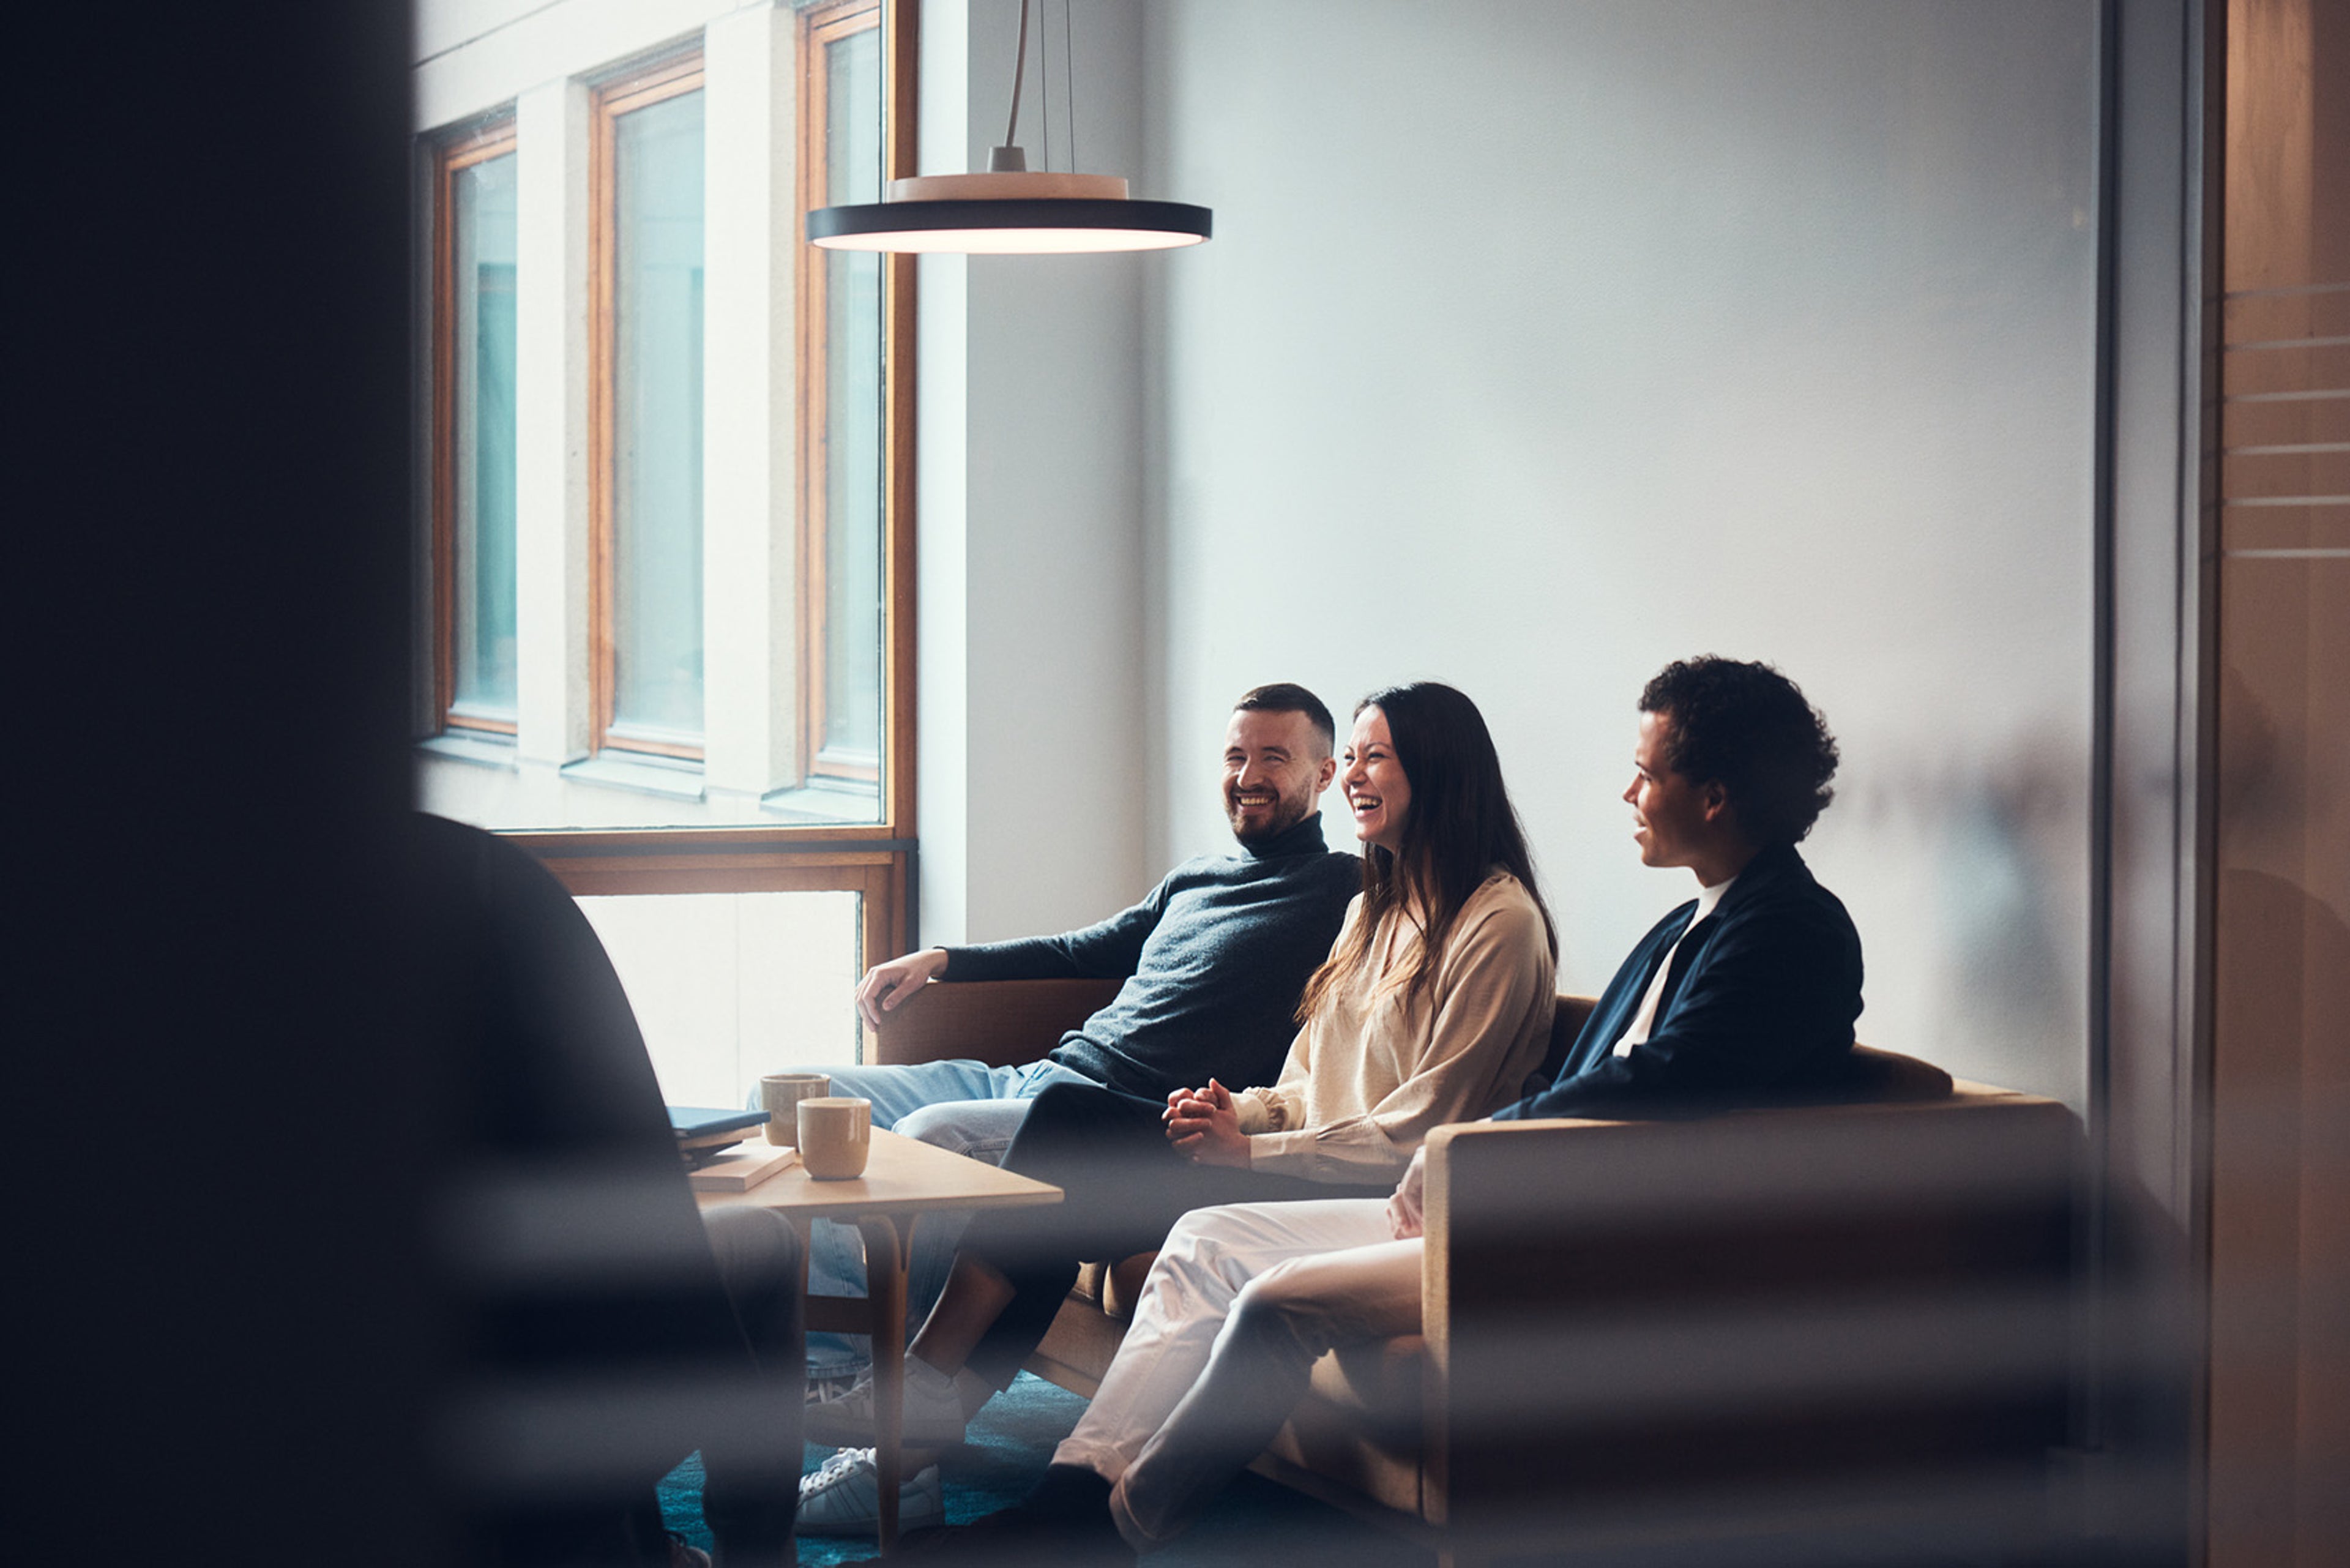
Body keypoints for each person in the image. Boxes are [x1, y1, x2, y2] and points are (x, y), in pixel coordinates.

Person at [887, 655, 1863, 1561]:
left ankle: (1087, 1517)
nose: (1628, 792)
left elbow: (1661, 1084)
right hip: (1481, 1188)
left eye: (1645, 773)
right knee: (1189, 1230)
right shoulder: (1681, 919)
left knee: (1222, 1258)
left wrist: (1465, 1152)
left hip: (1546, 1219)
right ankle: (1065, 1492)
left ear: (1714, 794)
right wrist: (1244, 1116)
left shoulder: (1781, 929)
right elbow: (1346, 1074)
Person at [800, 682, 1557, 1526]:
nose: (1352, 775)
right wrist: (1238, 1114)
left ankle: (917, 1423)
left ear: (1440, 772)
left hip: (1381, 1195)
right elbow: (1305, 1080)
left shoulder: (1498, 923)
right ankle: (923, 1425)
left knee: (1071, 1146)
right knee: (1070, 1126)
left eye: (1372, 757)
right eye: (1352, 757)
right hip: (1300, 1164)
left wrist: (1253, 1153)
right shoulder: (1370, 912)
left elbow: (1423, 1127)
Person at [777, 684, 1362, 1384]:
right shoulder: (1196, 878)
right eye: (1236, 756)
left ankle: (889, 1383)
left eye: (1274, 758)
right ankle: (832, 1356)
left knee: (933, 1135)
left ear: (1325, 775)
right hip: (1034, 1076)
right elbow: (1079, 951)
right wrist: (943, 959)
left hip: (1106, 1114)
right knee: (800, 1097)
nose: (1248, 776)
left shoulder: (1349, 890)